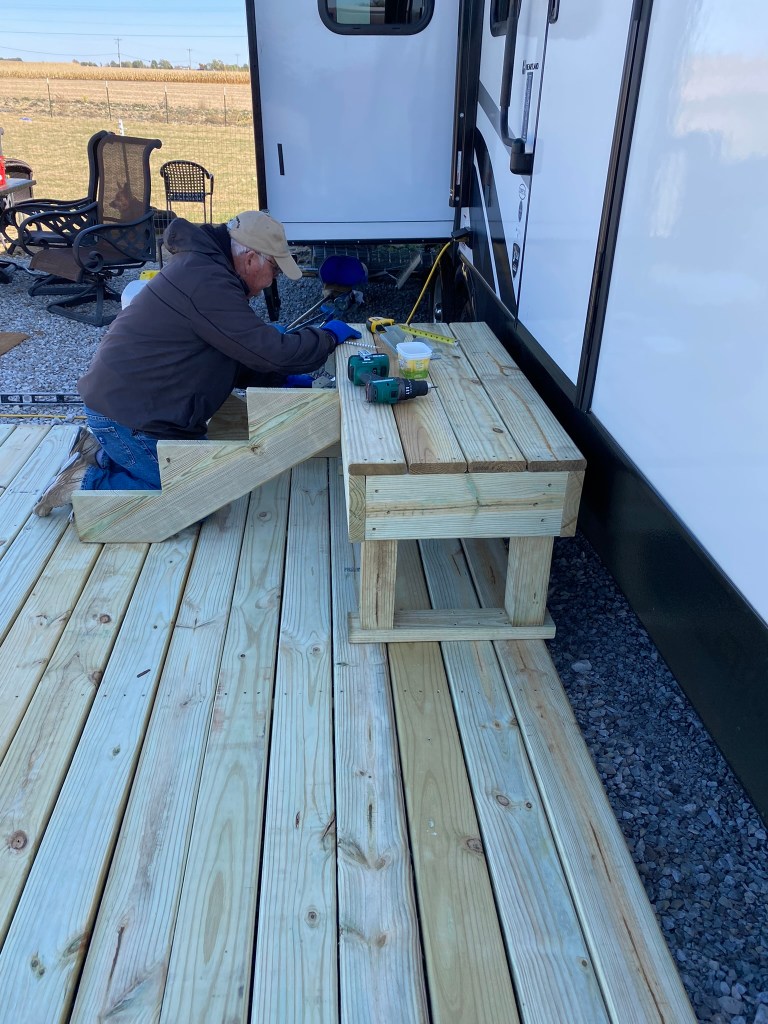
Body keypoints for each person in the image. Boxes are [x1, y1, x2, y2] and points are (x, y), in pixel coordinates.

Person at [33, 210, 361, 515]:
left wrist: (280, 379)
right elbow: (271, 351)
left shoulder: (205, 270)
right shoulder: (208, 283)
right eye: (274, 271)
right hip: (131, 420)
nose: (271, 281)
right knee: (197, 498)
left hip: (136, 410)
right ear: (250, 259)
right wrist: (327, 338)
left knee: (205, 483)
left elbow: (233, 353)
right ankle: (85, 482)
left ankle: (103, 453)